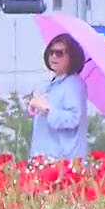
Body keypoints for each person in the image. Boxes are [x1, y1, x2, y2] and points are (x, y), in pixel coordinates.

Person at [27, 33, 89, 162]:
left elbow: (73, 118)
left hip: (62, 160)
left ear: (71, 57)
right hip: (45, 157)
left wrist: (47, 108)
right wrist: (36, 106)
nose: (54, 56)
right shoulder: (56, 83)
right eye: (51, 52)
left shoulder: (73, 84)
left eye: (59, 53)